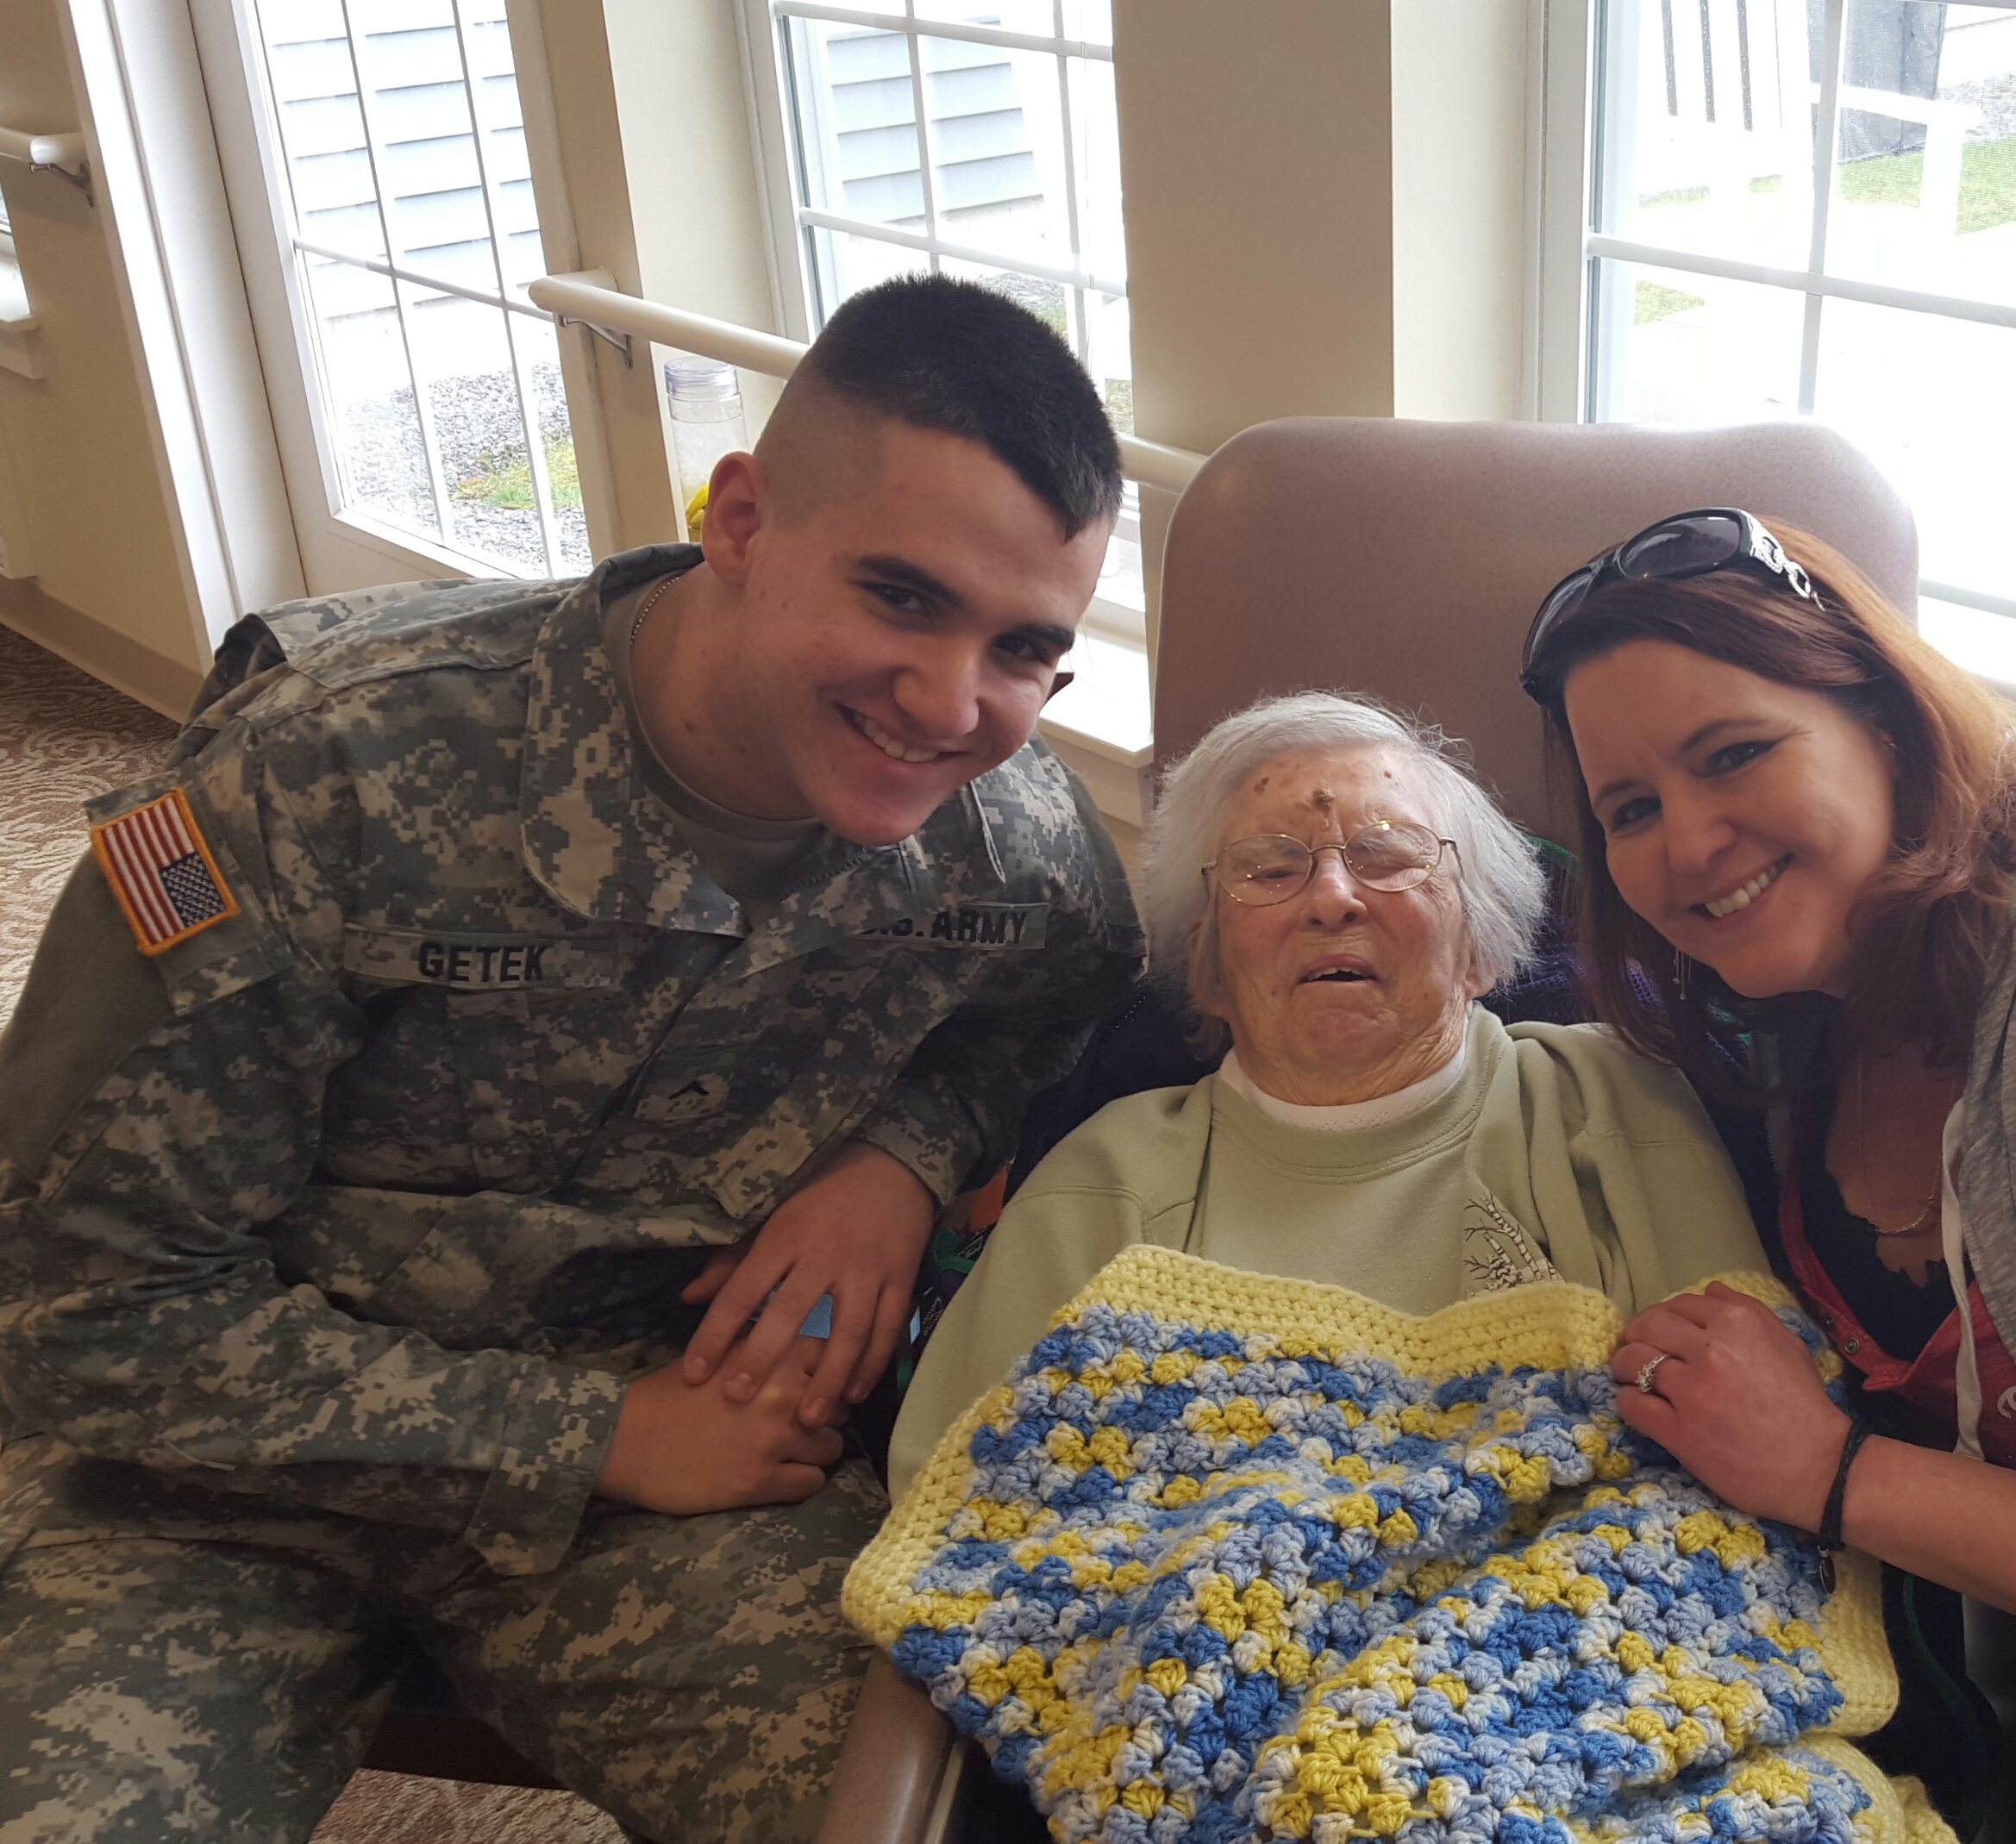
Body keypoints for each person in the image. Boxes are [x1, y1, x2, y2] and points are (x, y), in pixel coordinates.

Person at [0, 274, 1143, 1844]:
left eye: (1021, 646)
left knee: (983, 1813)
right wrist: (593, 1437)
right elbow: (79, 1308)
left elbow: (1062, 1010)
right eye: (898, 596)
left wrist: (902, 1154)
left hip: (680, 1441)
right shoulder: (321, 768)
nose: (950, 701)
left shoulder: (1009, 848)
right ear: (739, 519)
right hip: (214, 1473)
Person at [889, 690, 1768, 1497]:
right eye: (1271, 871)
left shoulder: (1610, 1101)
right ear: (1209, 968)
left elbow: (1751, 1451)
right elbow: (958, 1511)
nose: (1333, 898)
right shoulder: (1109, 1176)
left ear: (1479, 947)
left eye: (1387, 857)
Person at [1516, 507, 2016, 1622]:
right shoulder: (1787, 1029)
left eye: (1734, 754)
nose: (1688, 844)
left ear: (1886, 728)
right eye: (1630, 809)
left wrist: (1825, 1468)